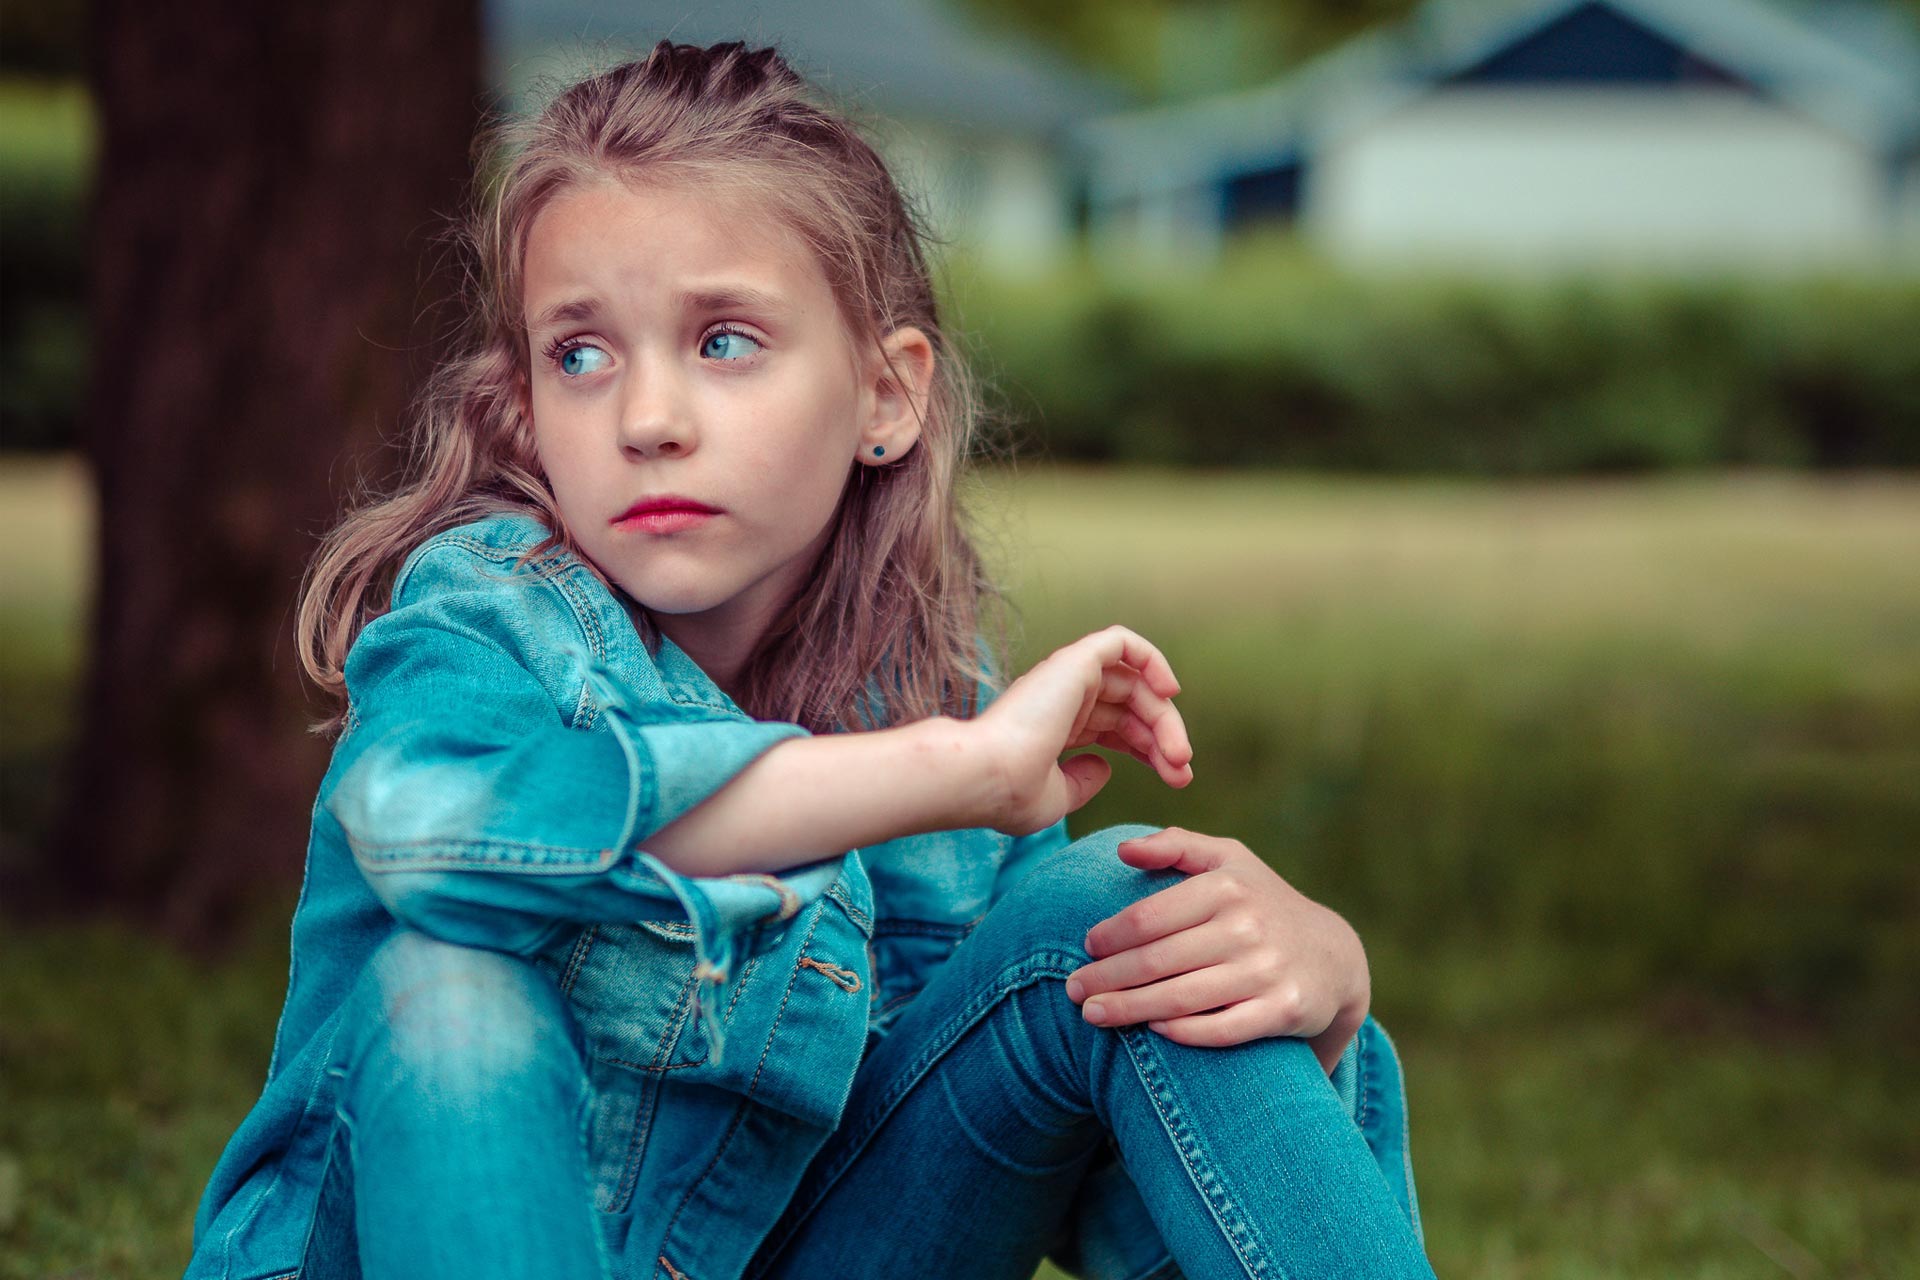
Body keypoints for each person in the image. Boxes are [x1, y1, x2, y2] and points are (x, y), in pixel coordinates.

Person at [184, 39, 1433, 1280]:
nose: (648, 419)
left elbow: (1126, 1212)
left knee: (1120, 923)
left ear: (885, 396)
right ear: (522, 407)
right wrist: (949, 768)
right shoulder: (483, 618)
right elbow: (426, 839)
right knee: (449, 991)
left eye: (724, 339)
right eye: (580, 353)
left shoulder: (937, 704)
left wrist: (1328, 999)